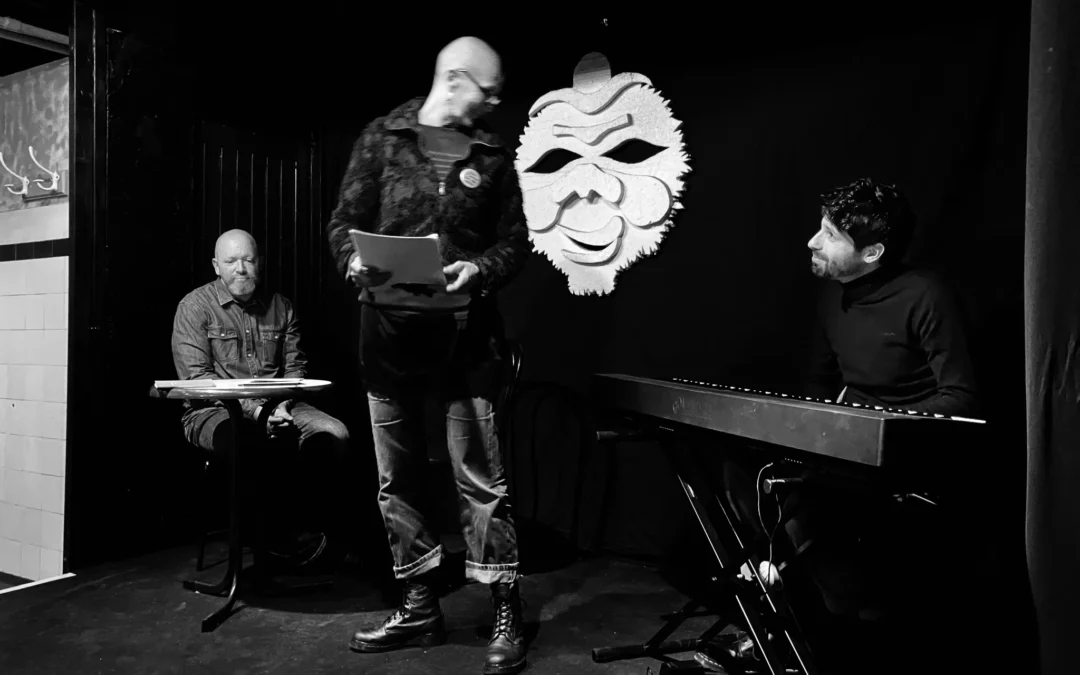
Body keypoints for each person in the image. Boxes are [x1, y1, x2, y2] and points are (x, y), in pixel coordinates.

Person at [712, 178, 980, 671]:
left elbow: (960, 396)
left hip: (901, 456)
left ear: (872, 252)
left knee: (825, 508)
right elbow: (820, 385)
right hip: (843, 448)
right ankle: (808, 611)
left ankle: (838, 620)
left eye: (830, 235)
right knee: (740, 464)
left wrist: (875, 428)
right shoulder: (832, 297)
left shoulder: (926, 295)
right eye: (821, 227)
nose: (813, 241)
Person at [325, 36, 530, 675]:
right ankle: (418, 606)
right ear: (456, 79)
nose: (493, 102)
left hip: (466, 343)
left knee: (480, 480)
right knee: (398, 480)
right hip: (389, 340)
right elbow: (342, 222)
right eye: (487, 91)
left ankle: (505, 607)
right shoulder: (382, 138)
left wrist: (481, 269)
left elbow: (515, 241)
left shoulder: (493, 154)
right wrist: (351, 260)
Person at [171, 228, 352, 571]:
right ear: (216, 266)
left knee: (335, 434)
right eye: (231, 261)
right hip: (212, 412)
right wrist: (259, 413)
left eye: (248, 260)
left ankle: (309, 534)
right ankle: (273, 542)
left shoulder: (281, 307)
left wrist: (280, 407)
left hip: (280, 405)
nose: (241, 269)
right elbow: (197, 382)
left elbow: (295, 370)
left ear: (259, 263)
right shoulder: (194, 307)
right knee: (251, 442)